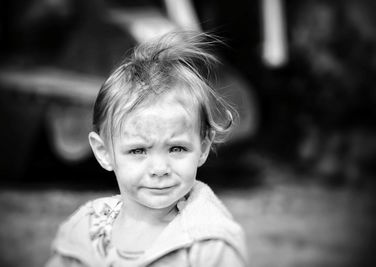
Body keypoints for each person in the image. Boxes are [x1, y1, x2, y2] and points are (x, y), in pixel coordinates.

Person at [46, 31, 247, 267]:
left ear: (203, 147)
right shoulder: (83, 230)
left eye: (177, 148)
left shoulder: (210, 245)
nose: (160, 169)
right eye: (138, 150)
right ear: (104, 152)